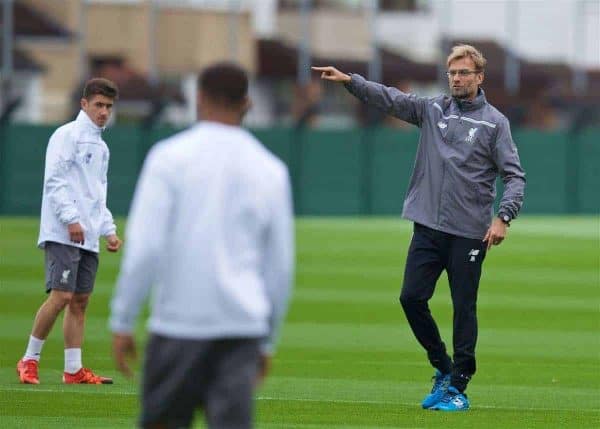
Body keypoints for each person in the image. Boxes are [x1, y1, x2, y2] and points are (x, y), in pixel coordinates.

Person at [313, 44, 526, 411]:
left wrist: (503, 217)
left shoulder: (495, 123)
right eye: (452, 73)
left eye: (464, 73)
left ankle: (459, 386)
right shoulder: (433, 110)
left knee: (464, 308)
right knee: (411, 298)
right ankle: (442, 367)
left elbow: (515, 177)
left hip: (468, 232)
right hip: (427, 225)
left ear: (479, 77)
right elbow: (391, 99)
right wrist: (351, 81)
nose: (457, 79)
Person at [109, 63, 294, 429]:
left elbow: (145, 247)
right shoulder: (270, 169)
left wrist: (123, 318)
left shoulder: (168, 157)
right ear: (247, 103)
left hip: (178, 325)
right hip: (240, 329)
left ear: (199, 97)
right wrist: (267, 342)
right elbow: (280, 267)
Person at [17, 78, 122, 385]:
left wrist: (108, 230)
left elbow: (97, 194)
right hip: (64, 231)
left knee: (80, 301)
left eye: (109, 107)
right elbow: (55, 181)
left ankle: (73, 370)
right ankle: (29, 359)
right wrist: (71, 219)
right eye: (99, 105)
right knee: (62, 294)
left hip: (87, 235)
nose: (104, 112)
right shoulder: (66, 136)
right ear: (84, 104)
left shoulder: (102, 148)